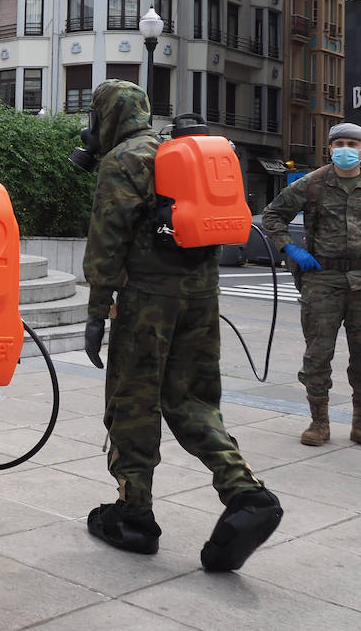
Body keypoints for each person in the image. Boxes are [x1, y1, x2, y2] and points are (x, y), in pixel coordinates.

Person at [78, 79, 281, 571]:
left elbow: (108, 240)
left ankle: (134, 514)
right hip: (202, 296)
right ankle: (245, 492)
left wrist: (97, 309)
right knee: (191, 398)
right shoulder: (178, 152)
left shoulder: (123, 160)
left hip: (148, 300)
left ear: (105, 116)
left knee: (133, 401)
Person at [260, 121, 361, 452]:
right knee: (318, 354)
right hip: (322, 280)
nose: (345, 150)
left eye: (353, 144)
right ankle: (319, 422)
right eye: (339, 144)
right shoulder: (311, 184)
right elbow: (272, 216)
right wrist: (290, 248)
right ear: (330, 149)